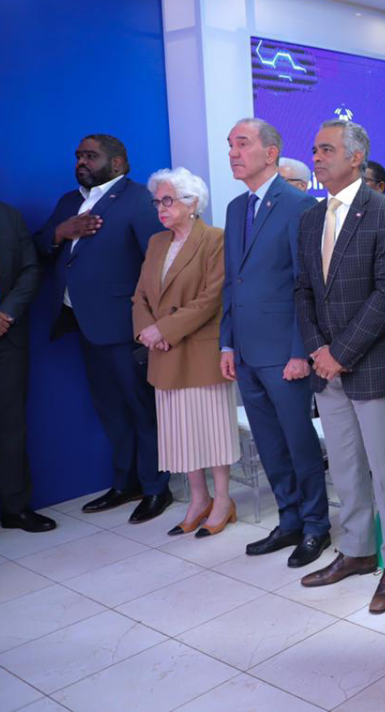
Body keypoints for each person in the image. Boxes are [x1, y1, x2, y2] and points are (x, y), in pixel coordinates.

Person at [294, 120, 385, 614]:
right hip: (327, 367)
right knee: (343, 468)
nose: (317, 157)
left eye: (327, 149)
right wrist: (319, 349)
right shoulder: (309, 218)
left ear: (356, 157)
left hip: (370, 364)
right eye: (316, 149)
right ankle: (358, 550)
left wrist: (341, 351)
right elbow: (303, 290)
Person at [36, 135, 171, 523]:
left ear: (117, 163)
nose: (81, 161)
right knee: (110, 409)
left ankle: (155, 487)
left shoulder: (138, 199)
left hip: (126, 327)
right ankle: (124, 482)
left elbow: (157, 266)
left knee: (141, 408)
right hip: (84, 325)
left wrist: (155, 324)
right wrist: (62, 232)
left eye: (90, 156)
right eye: (78, 155)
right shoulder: (68, 201)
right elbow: (39, 247)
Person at [221, 118, 331, 568]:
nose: (232, 152)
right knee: (268, 441)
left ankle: (316, 526)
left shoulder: (299, 205)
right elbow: (233, 280)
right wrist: (227, 344)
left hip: (284, 351)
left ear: (270, 153)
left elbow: (307, 285)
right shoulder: (234, 208)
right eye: (229, 145)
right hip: (246, 350)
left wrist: (297, 350)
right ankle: (288, 519)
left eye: (242, 144)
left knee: (298, 441)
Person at [132, 168, 239, 538]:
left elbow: (212, 299)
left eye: (168, 200)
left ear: (193, 204)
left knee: (212, 432)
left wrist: (165, 329)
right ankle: (199, 499)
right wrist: (148, 332)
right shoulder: (156, 243)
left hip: (198, 350)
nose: (160, 208)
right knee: (180, 435)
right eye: (157, 201)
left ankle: (223, 500)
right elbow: (141, 295)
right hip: (163, 351)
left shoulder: (215, 239)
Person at [0, 196, 53, 538]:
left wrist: (5, 313)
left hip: (7, 334)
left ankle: (15, 509)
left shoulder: (8, 216)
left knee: (10, 426)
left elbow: (31, 269)